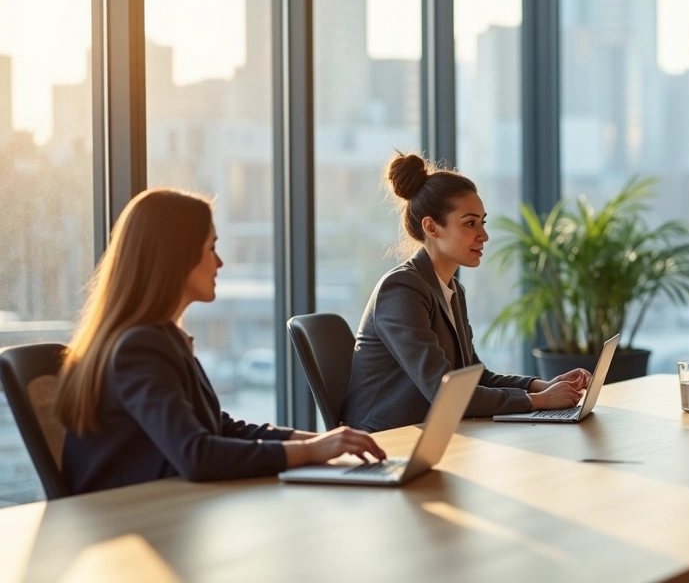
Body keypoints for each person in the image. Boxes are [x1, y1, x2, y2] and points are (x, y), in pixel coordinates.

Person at [56, 189, 386, 496]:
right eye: (211, 248)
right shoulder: (138, 347)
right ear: (176, 259)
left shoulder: (158, 337)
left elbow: (217, 427)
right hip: (124, 524)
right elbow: (196, 453)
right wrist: (310, 451)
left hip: (160, 508)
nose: (220, 263)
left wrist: (319, 441)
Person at [341, 151, 590, 432]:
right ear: (431, 227)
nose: (483, 235)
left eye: (482, 222)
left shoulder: (451, 290)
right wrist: (536, 401)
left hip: (431, 434)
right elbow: (445, 391)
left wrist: (542, 386)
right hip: (383, 441)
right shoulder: (401, 290)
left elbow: (472, 375)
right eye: (470, 223)